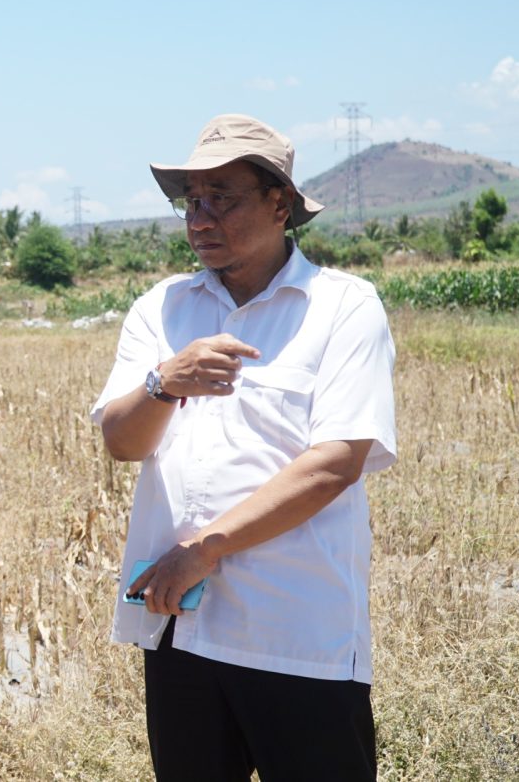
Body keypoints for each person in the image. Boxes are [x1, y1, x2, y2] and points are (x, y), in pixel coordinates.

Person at [92, 114, 397, 781]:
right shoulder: (162, 308)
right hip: (181, 629)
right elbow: (120, 441)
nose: (200, 219)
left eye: (222, 198)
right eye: (191, 201)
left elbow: (334, 464)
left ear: (280, 204)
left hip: (296, 634)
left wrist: (203, 551)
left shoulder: (343, 308)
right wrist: (164, 382)